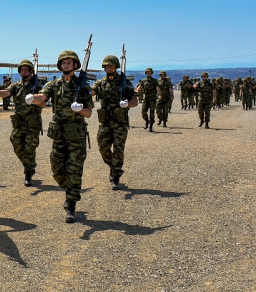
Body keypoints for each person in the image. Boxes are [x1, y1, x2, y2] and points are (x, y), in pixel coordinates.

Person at [27, 50, 93, 223]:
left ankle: (71, 204)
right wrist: (32, 98)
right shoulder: (54, 85)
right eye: (63, 63)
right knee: (57, 169)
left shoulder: (83, 86)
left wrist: (80, 109)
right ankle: (70, 190)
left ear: (76, 65)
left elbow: (89, 113)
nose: (66, 65)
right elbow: (43, 96)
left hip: (76, 135)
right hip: (59, 135)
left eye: (69, 63)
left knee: (75, 170)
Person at [92, 55, 138, 190]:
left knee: (118, 150)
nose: (108, 68)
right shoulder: (101, 82)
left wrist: (127, 104)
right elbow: (91, 92)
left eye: (111, 66)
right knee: (103, 147)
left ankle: (115, 175)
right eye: (106, 66)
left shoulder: (124, 82)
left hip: (120, 123)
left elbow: (135, 101)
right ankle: (113, 166)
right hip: (105, 122)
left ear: (116, 67)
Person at [0, 59, 43, 187]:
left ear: (31, 71)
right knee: (16, 145)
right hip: (19, 123)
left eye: (26, 69)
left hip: (32, 124)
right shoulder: (16, 85)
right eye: (22, 70)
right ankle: (30, 165)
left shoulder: (37, 86)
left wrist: (34, 99)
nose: (24, 72)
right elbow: (6, 93)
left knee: (29, 149)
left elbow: (44, 102)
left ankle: (28, 173)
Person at [135, 68, 160, 132]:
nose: (149, 74)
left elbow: (157, 88)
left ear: (152, 73)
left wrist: (159, 95)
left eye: (150, 73)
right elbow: (139, 88)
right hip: (145, 99)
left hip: (152, 99)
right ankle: (147, 121)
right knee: (143, 112)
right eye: (147, 73)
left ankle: (151, 126)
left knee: (152, 113)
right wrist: (135, 92)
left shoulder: (155, 81)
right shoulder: (143, 81)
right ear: (146, 73)